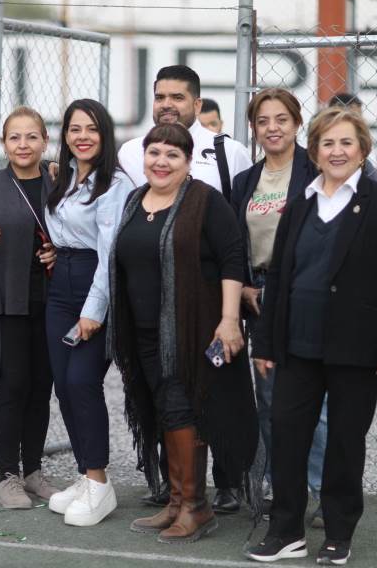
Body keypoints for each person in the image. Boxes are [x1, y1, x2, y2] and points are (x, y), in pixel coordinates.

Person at [246, 108, 377, 565]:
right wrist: (265, 342)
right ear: (314, 151)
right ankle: (286, 531)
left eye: (346, 143)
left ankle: (339, 533)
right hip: (296, 344)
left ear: (362, 150)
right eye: (328, 143)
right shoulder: (300, 202)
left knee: (344, 441)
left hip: (356, 348)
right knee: (286, 436)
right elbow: (279, 275)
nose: (337, 151)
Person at [110, 123, 257, 543]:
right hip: (143, 329)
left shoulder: (205, 201)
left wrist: (229, 320)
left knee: (182, 410)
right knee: (162, 410)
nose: (161, 162)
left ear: (188, 162)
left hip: (190, 329)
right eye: (155, 153)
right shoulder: (136, 200)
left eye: (172, 155)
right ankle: (176, 501)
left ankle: (196, 506)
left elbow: (233, 259)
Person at [228, 88, 320, 517]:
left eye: (281, 119)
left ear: (297, 123)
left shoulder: (316, 170)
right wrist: (245, 286)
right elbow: (233, 245)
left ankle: (320, 488)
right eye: (263, 121)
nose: (272, 128)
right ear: (254, 128)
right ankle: (281, 484)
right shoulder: (245, 181)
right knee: (270, 398)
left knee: (313, 398)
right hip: (261, 297)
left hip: (307, 292)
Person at [0, 106, 59, 509]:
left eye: (31, 136)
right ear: (4, 143)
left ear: (44, 142)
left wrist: (61, 251)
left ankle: (33, 471)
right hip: (8, 301)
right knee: (14, 386)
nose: (23, 144)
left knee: (42, 388)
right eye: (15, 137)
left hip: (53, 302)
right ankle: (7, 475)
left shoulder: (60, 184)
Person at [43, 99, 134, 527]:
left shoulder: (114, 183)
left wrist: (94, 310)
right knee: (64, 386)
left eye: (92, 129)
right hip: (59, 285)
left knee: (83, 382)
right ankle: (84, 474)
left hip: (94, 287)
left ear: (105, 134)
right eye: (75, 128)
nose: (82, 136)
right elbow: (65, 233)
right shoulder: (65, 179)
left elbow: (110, 253)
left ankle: (99, 483)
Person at [118, 65, 251, 198]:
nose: (166, 105)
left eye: (177, 97)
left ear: (197, 105)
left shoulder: (231, 152)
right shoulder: (130, 152)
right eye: (159, 97)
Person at [328, 93, 377, 182]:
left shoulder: (363, 142)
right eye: (354, 116)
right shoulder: (317, 133)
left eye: (359, 116)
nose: (359, 121)